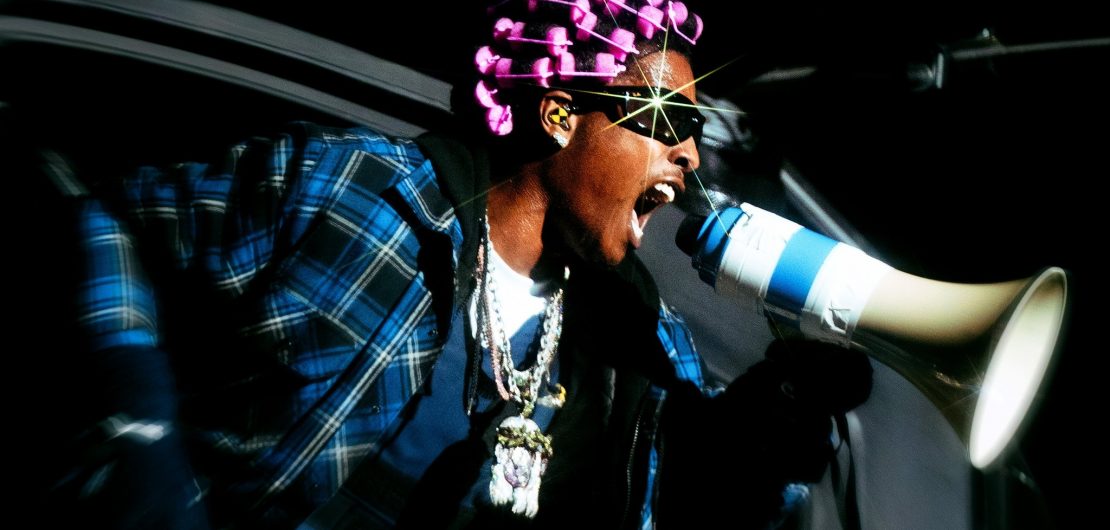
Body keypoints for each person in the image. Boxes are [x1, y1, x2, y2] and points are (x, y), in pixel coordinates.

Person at [37, 1, 871, 528]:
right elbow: (113, 222)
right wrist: (137, 435)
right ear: (559, 116)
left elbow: (678, 497)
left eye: (694, 132)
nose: (690, 155)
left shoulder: (638, 336)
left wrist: (762, 440)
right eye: (666, 120)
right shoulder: (351, 192)